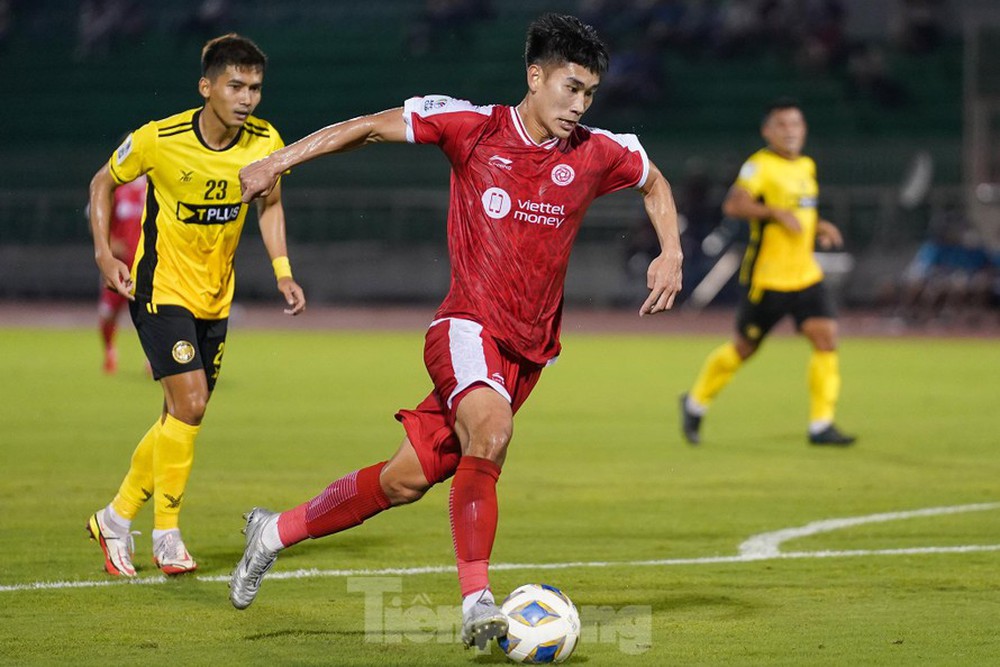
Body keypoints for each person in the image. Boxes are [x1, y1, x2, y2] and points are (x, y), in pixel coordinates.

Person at [228, 13, 683, 651]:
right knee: (492, 431)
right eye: (569, 88)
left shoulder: (598, 153)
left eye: (589, 94)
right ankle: (478, 602)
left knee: (405, 480)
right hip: (466, 326)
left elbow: (654, 181)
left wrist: (671, 250)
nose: (579, 105)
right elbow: (366, 128)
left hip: (527, 354)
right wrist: (278, 159)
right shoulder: (473, 128)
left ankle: (272, 532)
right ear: (535, 76)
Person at [86, 33, 306, 578]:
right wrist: (102, 254)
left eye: (255, 87)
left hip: (215, 298)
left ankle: (115, 519)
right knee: (193, 404)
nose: (248, 97)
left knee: (177, 415)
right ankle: (166, 534)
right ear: (207, 87)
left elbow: (270, 207)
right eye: (236, 85)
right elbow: (101, 183)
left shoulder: (265, 141)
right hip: (160, 291)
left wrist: (283, 272)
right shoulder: (159, 139)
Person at [679, 98, 855, 446]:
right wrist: (774, 212)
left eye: (796, 125)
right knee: (744, 348)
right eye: (783, 125)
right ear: (768, 131)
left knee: (826, 339)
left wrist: (818, 224)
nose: (791, 132)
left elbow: (798, 212)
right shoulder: (759, 166)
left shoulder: (806, 165)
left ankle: (821, 425)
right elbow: (734, 204)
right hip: (768, 279)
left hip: (805, 275)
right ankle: (695, 401)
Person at [90, 172, 145, 373]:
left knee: (153, 313)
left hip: (147, 266)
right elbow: (96, 217)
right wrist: (108, 244)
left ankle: (153, 359)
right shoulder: (115, 187)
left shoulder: (155, 188)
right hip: (119, 266)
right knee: (108, 313)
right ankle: (110, 350)